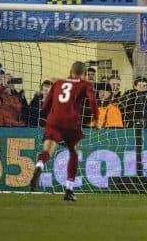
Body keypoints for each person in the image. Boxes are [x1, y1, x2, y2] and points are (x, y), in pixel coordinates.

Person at [29, 61, 101, 201]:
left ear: (70, 70)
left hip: (54, 120)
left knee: (47, 151)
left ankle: (39, 164)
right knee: (73, 152)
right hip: (71, 122)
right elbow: (93, 101)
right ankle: (69, 189)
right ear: (84, 74)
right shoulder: (85, 84)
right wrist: (96, 120)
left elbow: (45, 106)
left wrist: (48, 117)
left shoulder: (57, 83)